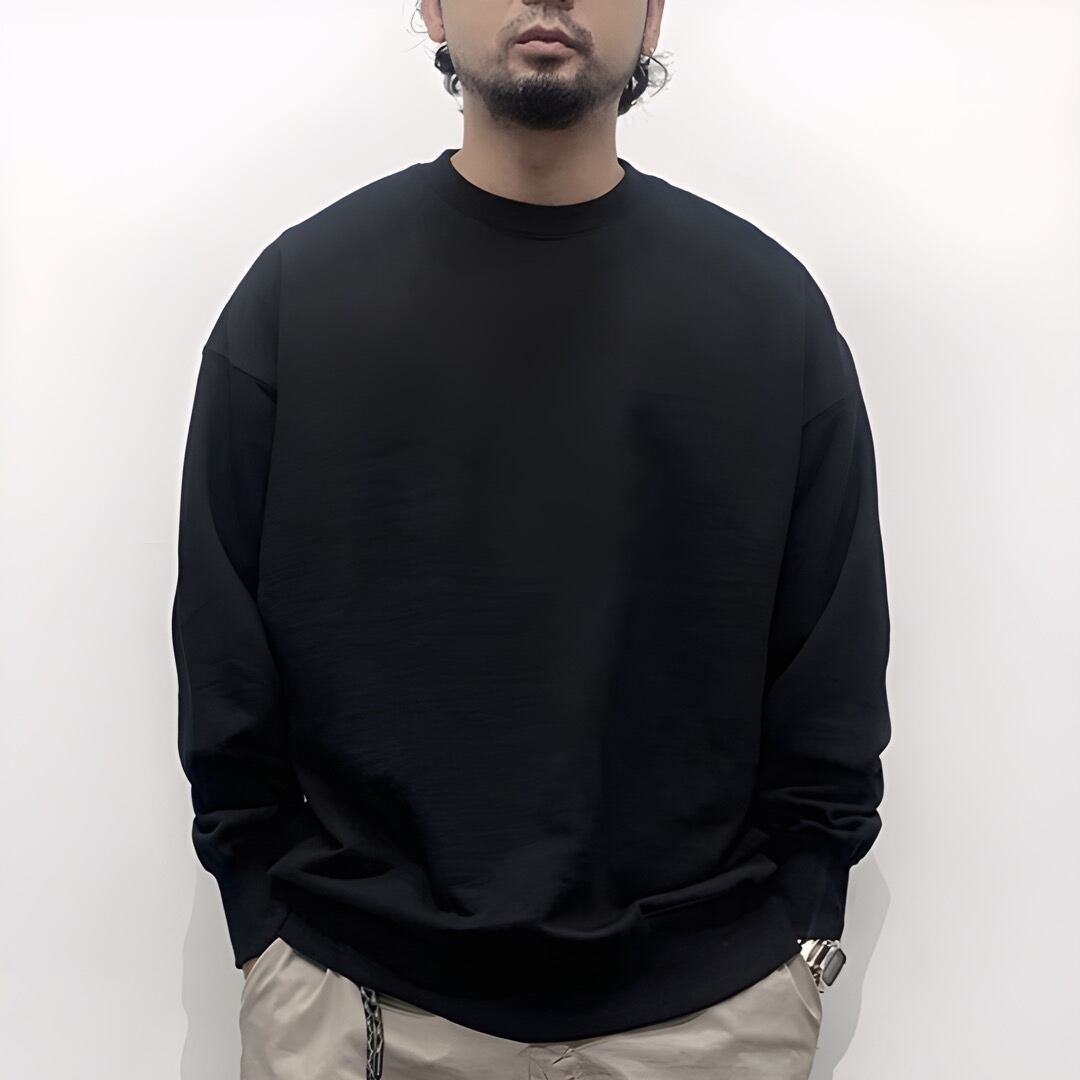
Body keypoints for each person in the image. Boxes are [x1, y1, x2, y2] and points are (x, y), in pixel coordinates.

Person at [171, 2, 891, 1077]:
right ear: (430, 6)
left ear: (653, 15)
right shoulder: (299, 298)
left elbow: (832, 663)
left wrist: (799, 921)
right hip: (355, 999)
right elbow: (221, 650)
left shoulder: (767, 310)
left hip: (709, 1016)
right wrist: (267, 919)